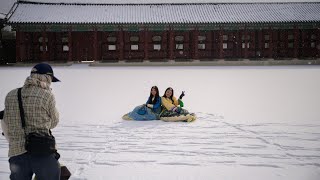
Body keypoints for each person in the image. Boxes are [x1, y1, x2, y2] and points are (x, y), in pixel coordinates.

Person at [2, 63, 61, 180]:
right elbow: (54, 122)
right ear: (46, 77)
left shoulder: (10, 95)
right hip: (42, 152)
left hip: (16, 154)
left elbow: (7, 121)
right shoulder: (47, 95)